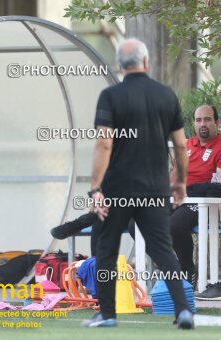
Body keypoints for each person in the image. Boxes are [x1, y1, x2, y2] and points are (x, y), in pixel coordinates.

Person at [81, 38, 194, 329]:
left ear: (119, 65)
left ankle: (107, 314)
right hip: (155, 190)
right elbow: (180, 146)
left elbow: (104, 144)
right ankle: (183, 311)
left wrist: (95, 188)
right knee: (162, 250)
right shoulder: (166, 96)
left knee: (106, 248)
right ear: (146, 62)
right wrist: (180, 182)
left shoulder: (110, 96)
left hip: (117, 189)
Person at [170, 105, 221, 299]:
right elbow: (173, 176)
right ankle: (172, 268)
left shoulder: (219, 145)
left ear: (217, 122)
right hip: (178, 196)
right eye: (199, 120)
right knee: (137, 223)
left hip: (202, 201)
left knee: (174, 226)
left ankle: (187, 270)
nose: (203, 124)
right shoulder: (188, 144)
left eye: (207, 119)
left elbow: (219, 185)